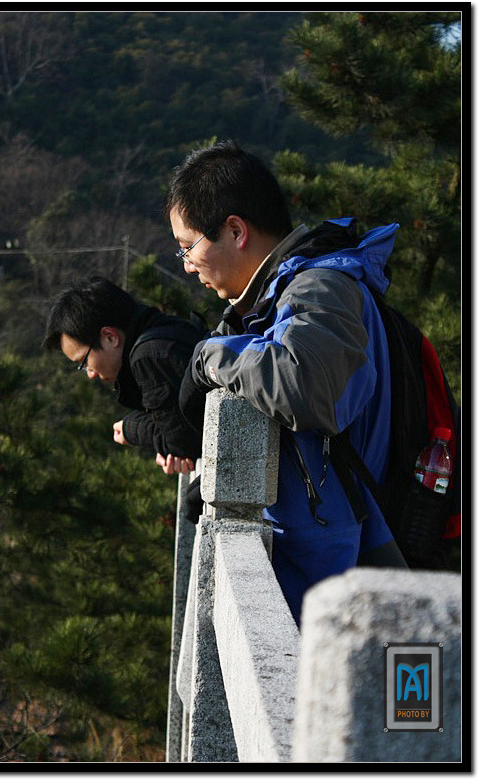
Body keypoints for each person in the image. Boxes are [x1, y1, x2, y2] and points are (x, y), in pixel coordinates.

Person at [164, 140, 407, 626]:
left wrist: (212, 356)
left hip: (368, 584)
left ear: (235, 231)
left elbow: (302, 387)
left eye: (188, 247)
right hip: (332, 579)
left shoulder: (321, 287)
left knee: (407, 682)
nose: (186, 264)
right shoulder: (273, 301)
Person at [43, 275, 204, 472]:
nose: (90, 374)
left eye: (84, 362)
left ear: (110, 337)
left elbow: (182, 443)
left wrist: (133, 428)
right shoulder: (165, 330)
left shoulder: (148, 358)